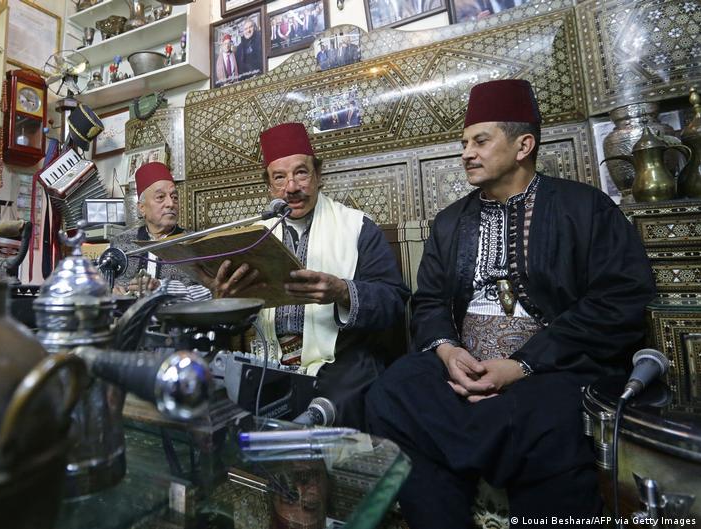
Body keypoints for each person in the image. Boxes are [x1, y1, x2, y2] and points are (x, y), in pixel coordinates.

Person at [365, 79, 656, 527]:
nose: (466, 153)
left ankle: (476, 443)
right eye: (464, 143)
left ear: (524, 145)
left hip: (553, 366)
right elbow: (429, 303)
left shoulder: (585, 208)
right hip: (463, 364)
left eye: (480, 141)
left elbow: (619, 301)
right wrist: (447, 351)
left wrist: (522, 366)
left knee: (540, 416)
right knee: (392, 391)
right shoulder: (449, 222)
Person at [212, 123, 410, 429]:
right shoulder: (252, 239)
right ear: (269, 187)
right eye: (279, 177)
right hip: (268, 362)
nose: (291, 187)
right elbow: (237, 321)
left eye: (301, 173)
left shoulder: (357, 228)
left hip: (341, 363)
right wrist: (226, 302)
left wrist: (343, 291)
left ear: (318, 176)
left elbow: (394, 302)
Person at [109, 162, 211, 302]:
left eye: (174, 197)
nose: (170, 203)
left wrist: (161, 288)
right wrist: (112, 292)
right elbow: (104, 284)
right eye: (160, 197)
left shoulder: (195, 242)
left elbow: (211, 292)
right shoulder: (120, 243)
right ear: (142, 208)